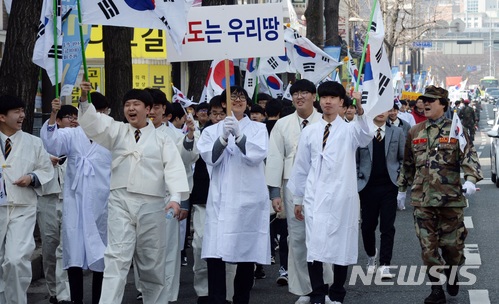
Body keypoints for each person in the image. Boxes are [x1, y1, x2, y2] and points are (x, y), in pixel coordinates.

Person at [77, 87, 190, 304]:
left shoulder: (162, 139)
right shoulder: (117, 130)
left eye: (136, 104)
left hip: (152, 203)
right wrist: (84, 99)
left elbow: (174, 168)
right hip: (120, 201)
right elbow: (93, 123)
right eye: (127, 105)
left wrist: (175, 198)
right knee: (116, 259)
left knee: (151, 263)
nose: (131, 108)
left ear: (148, 109)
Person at [287, 82, 374, 304]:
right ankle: (318, 293)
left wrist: (361, 109)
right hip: (314, 197)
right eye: (324, 97)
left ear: (341, 103)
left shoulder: (350, 129)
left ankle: (337, 293)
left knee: (341, 244)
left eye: (333, 98)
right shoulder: (310, 131)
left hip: (342, 197)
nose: (328, 101)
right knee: (314, 245)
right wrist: (298, 198)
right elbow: (301, 167)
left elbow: (366, 136)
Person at [397, 85, 483, 304]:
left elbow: (469, 157)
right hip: (422, 200)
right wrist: (401, 189)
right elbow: (408, 164)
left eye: (431, 101)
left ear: (443, 105)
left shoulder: (456, 129)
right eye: (424, 100)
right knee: (429, 249)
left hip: (450, 201)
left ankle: (453, 274)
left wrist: (471, 181)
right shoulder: (415, 131)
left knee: (453, 249)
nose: (425, 104)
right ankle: (436, 289)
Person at [197, 86, 270, 304]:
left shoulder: (258, 128)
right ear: (222, 104)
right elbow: (210, 158)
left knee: (245, 255)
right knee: (215, 254)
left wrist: (239, 136)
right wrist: (222, 137)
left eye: (241, 97)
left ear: (248, 103)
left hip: (248, 200)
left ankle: (241, 299)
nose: (237, 100)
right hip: (220, 200)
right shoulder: (211, 130)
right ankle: (217, 299)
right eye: (232, 97)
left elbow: (256, 155)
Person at [266, 79, 332, 304]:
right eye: (295, 93)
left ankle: (325, 286)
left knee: (322, 236)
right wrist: (275, 194)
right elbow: (274, 159)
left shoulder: (326, 122)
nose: (299, 97)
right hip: (292, 188)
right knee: (297, 238)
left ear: (314, 96)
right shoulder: (282, 124)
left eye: (305, 92)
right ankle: (305, 288)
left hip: (322, 187)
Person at [41, 93, 112, 304]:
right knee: (73, 251)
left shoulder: (110, 135)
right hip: (75, 200)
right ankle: (76, 300)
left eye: (100, 112)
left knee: (102, 255)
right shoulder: (72, 134)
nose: (97, 116)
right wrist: (54, 114)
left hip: (102, 202)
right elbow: (51, 143)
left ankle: (100, 299)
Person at [141, 87, 199, 302]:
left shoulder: (175, 134)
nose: (152, 112)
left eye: (156, 107)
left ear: (164, 109)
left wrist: (190, 136)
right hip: (141, 197)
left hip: (167, 199)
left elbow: (186, 161)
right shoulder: (135, 131)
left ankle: (166, 293)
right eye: (149, 107)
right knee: (144, 248)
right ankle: (146, 290)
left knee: (167, 247)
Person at [0, 95, 53, 304]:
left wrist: (32, 178)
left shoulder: (34, 142)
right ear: (2, 117)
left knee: (15, 260)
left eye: (23, 110)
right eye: (16, 112)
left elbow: (46, 170)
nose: (22, 115)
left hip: (22, 208)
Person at [190, 96, 237, 304]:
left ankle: (226, 294)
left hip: (230, 200)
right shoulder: (204, 135)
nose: (218, 117)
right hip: (203, 199)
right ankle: (204, 291)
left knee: (228, 248)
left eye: (222, 113)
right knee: (201, 246)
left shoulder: (238, 133)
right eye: (214, 113)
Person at [356, 111, 405, 279]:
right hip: (366, 187)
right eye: (378, 108)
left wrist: (399, 178)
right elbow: (354, 160)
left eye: (385, 108)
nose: (382, 113)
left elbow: (403, 158)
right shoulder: (362, 132)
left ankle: (385, 264)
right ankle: (371, 256)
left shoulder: (397, 132)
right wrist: (357, 178)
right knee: (367, 226)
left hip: (389, 187)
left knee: (387, 226)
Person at [37, 105, 76, 304]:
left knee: (64, 248)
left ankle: (64, 294)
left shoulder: (77, 143)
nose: (71, 120)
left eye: (74, 117)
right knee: (50, 248)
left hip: (69, 201)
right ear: (58, 121)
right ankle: (53, 290)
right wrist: (46, 161)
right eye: (68, 117)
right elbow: (48, 136)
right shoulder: (43, 143)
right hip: (47, 200)